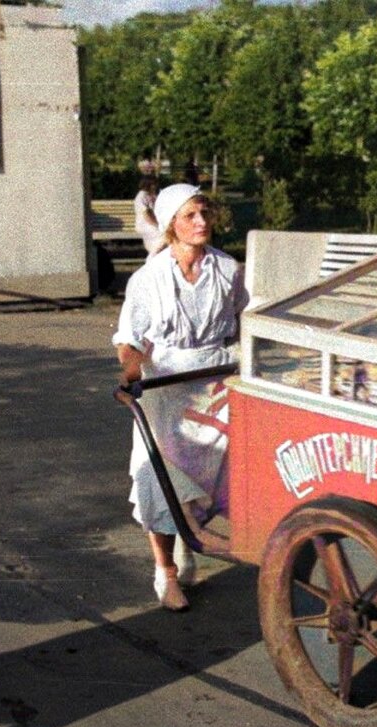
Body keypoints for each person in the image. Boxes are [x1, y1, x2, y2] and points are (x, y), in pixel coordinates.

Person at [112, 184, 247, 612]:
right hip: (165, 383)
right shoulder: (148, 279)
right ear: (171, 224)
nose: (202, 223)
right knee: (160, 476)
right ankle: (165, 571)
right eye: (190, 216)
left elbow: (246, 319)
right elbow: (129, 341)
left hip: (216, 375)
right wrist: (131, 373)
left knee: (218, 473)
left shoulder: (227, 269)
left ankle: (189, 535)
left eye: (204, 213)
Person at [133, 173, 163, 256]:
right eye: (154, 184)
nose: (156, 186)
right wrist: (158, 225)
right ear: (148, 184)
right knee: (164, 235)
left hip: (152, 225)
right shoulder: (141, 196)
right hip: (145, 225)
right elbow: (146, 215)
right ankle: (151, 259)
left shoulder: (152, 195)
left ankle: (155, 257)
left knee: (164, 237)